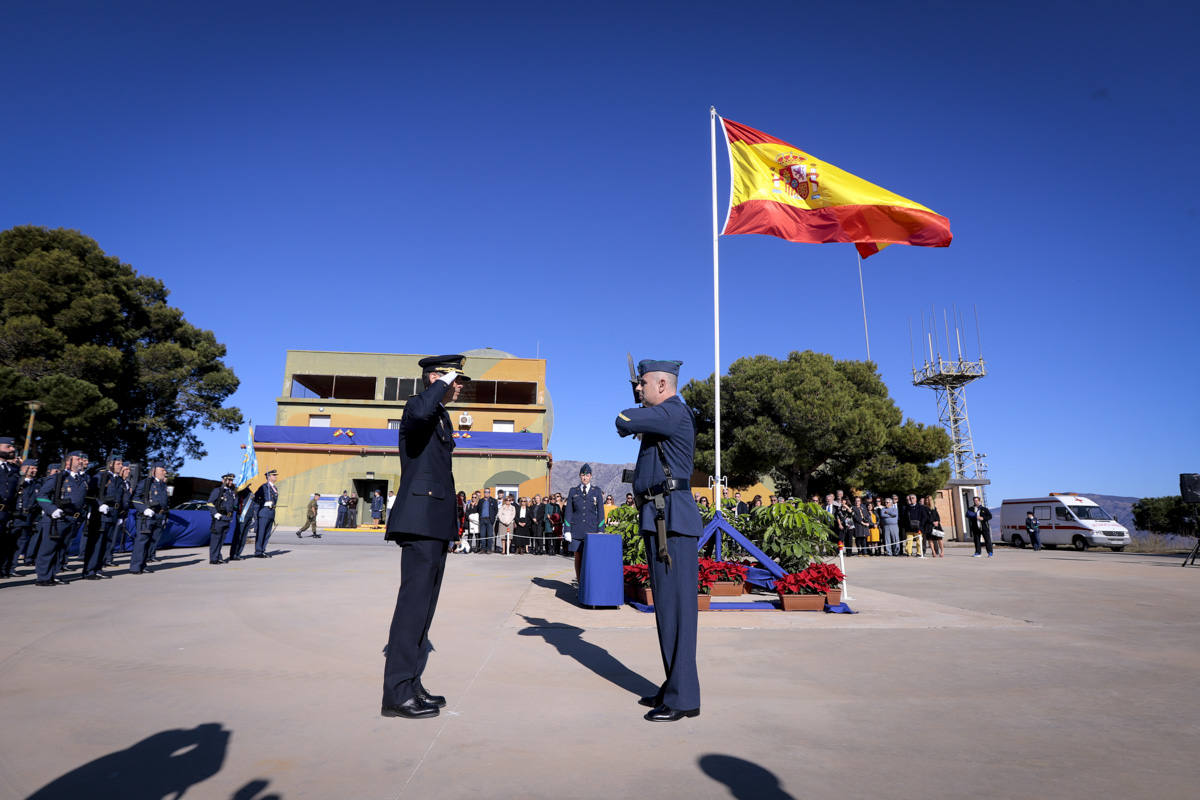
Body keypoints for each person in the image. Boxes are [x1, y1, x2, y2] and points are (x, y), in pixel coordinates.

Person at [381, 354, 470, 720]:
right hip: (419, 522)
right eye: (456, 379)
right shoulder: (418, 406)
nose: (461, 386)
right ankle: (396, 693)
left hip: (434, 523)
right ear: (435, 378)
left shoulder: (440, 415)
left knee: (425, 611)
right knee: (412, 609)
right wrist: (440, 384)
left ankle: (412, 683)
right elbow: (419, 413)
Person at [616, 358, 704, 722]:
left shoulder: (672, 412)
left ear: (663, 386)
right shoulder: (661, 416)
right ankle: (674, 686)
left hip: (673, 521)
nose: (639, 388)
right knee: (666, 610)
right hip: (660, 517)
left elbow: (623, 421)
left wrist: (635, 408)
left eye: (643, 383)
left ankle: (684, 698)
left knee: (678, 611)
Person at [564, 463, 605, 582]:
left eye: (587, 475)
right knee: (578, 557)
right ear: (579, 476)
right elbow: (568, 512)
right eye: (583, 475)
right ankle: (579, 582)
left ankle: (589, 583)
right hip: (576, 530)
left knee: (590, 558)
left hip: (591, 530)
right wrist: (567, 530)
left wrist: (601, 530)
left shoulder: (596, 491)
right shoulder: (573, 491)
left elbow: (601, 512)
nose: (585, 477)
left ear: (591, 476)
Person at [128, 462, 169, 575]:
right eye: (162, 470)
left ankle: (143, 564)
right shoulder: (146, 483)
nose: (164, 472)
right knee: (142, 541)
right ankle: (136, 566)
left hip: (158, 516)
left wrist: (165, 515)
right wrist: (144, 509)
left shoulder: (162, 485)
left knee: (151, 542)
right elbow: (135, 498)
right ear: (154, 470)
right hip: (147, 517)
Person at [7, 459, 40, 576]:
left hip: (28, 518)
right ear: (24, 468)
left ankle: (11, 568)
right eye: (31, 468)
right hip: (15, 517)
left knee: (19, 544)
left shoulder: (36, 484)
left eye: (35, 468)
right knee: (8, 544)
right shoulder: (17, 482)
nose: (34, 471)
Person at [208, 473, 239, 563]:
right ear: (223, 480)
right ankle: (213, 559)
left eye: (231, 480)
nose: (230, 482)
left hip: (227, 518)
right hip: (219, 517)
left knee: (221, 540)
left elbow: (234, 506)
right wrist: (215, 513)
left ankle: (218, 557)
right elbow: (210, 503)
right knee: (216, 539)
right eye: (228, 480)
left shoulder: (231, 492)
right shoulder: (218, 490)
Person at [0, 437, 20, 578]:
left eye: (12, 447)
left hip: (6, 513)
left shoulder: (13, 469)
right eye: (8, 447)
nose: (12, 449)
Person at [252, 469, 280, 557]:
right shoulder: (264, 487)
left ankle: (263, 550)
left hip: (271, 513)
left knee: (267, 533)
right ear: (268, 477)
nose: (275, 476)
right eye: (273, 475)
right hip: (264, 512)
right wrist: (264, 503)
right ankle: (258, 551)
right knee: (261, 533)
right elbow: (255, 498)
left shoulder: (274, 488)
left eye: (275, 475)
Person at [477, 487, 497, 554]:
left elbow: (496, 510)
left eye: (488, 492)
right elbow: (478, 510)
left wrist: (492, 519)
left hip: (489, 520)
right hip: (482, 519)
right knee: (482, 535)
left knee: (490, 535)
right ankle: (483, 549)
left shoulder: (493, 500)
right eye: (485, 492)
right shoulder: (481, 501)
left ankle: (489, 549)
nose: (486, 493)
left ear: (490, 493)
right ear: (484, 493)